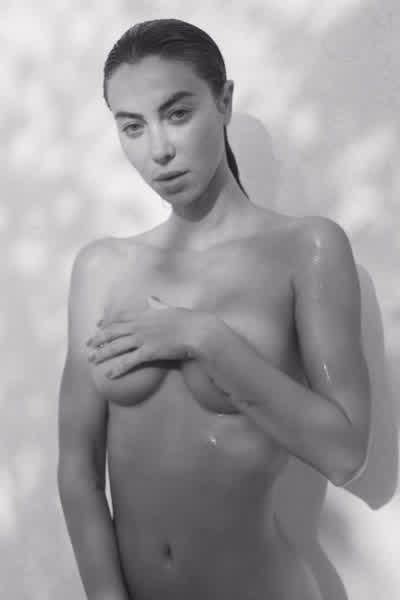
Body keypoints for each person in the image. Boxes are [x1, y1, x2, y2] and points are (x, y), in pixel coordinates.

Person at [57, 18, 372, 600]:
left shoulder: (306, 248)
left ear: (223, 101)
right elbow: (78, 469)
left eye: (178, 113)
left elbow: (344, 454)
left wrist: (205, 338)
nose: (159, 149)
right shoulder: (101, 267)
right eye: (133, 127)